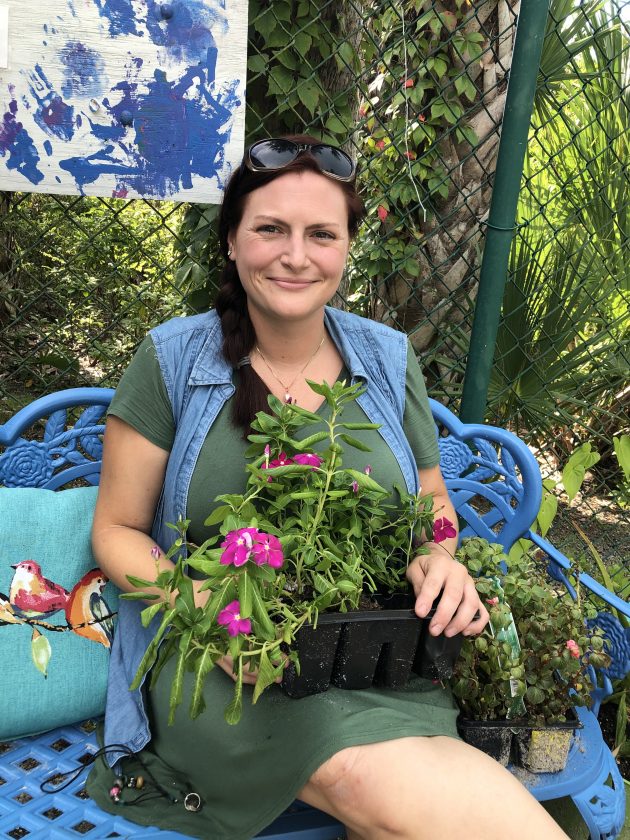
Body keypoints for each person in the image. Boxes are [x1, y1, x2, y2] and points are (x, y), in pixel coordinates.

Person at [88, 135, 569, 840]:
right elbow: (116, 530)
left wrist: (438, 557)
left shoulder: (386, 357)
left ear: (346, 248)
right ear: (231, 241)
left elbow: (433, 506)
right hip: (222, 662)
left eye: (321, 234)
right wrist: (202, 607)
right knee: (364, 775)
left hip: (374, 652)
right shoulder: (172, 360)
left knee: (398, 795)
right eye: (270, 229)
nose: (296, 255)